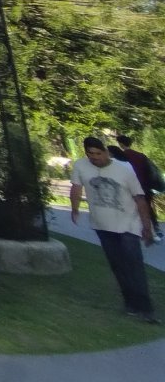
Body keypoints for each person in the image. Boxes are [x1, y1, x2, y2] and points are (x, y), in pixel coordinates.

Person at [71, 136, 158, 323]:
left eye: (98, 153)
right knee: (118, 266)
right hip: (102, 225)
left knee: (133, 265)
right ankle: (131, 304)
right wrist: (75, 208)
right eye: (90, 154)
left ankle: (146, 309)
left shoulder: (123, 169)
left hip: (128, 224)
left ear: (106, 152)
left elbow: (140, 199)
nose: (95, 157)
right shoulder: (81, 166)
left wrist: (147, 227)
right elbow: (76, 188)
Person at [116, 135, 162, 242]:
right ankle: (155, 228)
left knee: (134, 209)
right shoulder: (141, 155)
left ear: (121, 144)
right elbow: (150, 171)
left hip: (132, 187)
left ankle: (139, 231)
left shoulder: (122, 157)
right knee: (148, 208)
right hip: (145, 186)